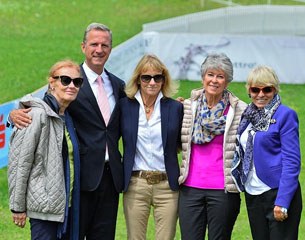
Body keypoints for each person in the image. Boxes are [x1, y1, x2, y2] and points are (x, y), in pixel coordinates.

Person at [9, 22, 126, 240]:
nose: (99, 49)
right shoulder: (70, 80)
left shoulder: (119, 86)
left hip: (110, 180)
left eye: (104, 45)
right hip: (79, 181)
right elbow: (41, 104)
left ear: (110, 48)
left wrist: (176, 105)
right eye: (94, 44)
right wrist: (14, 114)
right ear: (83, 47)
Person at [8, 59, 82, 240]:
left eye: (77, 82)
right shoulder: (35, 115)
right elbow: (20, 163)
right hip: (44, 209)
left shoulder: (67, 117)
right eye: (65, 80)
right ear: (52, 82)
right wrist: (17, 206)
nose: (71, 85)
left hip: (67, 207)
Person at [178, 52, 247, 240]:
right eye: (210, 74)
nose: (214, 80)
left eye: (220, 76)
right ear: (203, 77)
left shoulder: (240, 110)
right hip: (190, 188)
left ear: (227, 81)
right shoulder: (186, 107)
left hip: (223, 191)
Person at [231, 65, 302, 240]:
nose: (261, 94)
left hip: (277, 192)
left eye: (267, 89)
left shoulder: (285, 115)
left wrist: (283, 201)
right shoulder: (247, 116)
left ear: (275, 89)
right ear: (249, 90)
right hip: (253, 193)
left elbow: (292, 162)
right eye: (255, 89)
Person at [120, 54, 183, 239]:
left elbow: (182, 142)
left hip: (167, 185)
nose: (152, 82)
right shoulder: (125, 106)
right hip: (136, 184)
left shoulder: (175, 108)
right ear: (138, 80)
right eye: (146, 77)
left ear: (164, 80)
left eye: (158, 77)